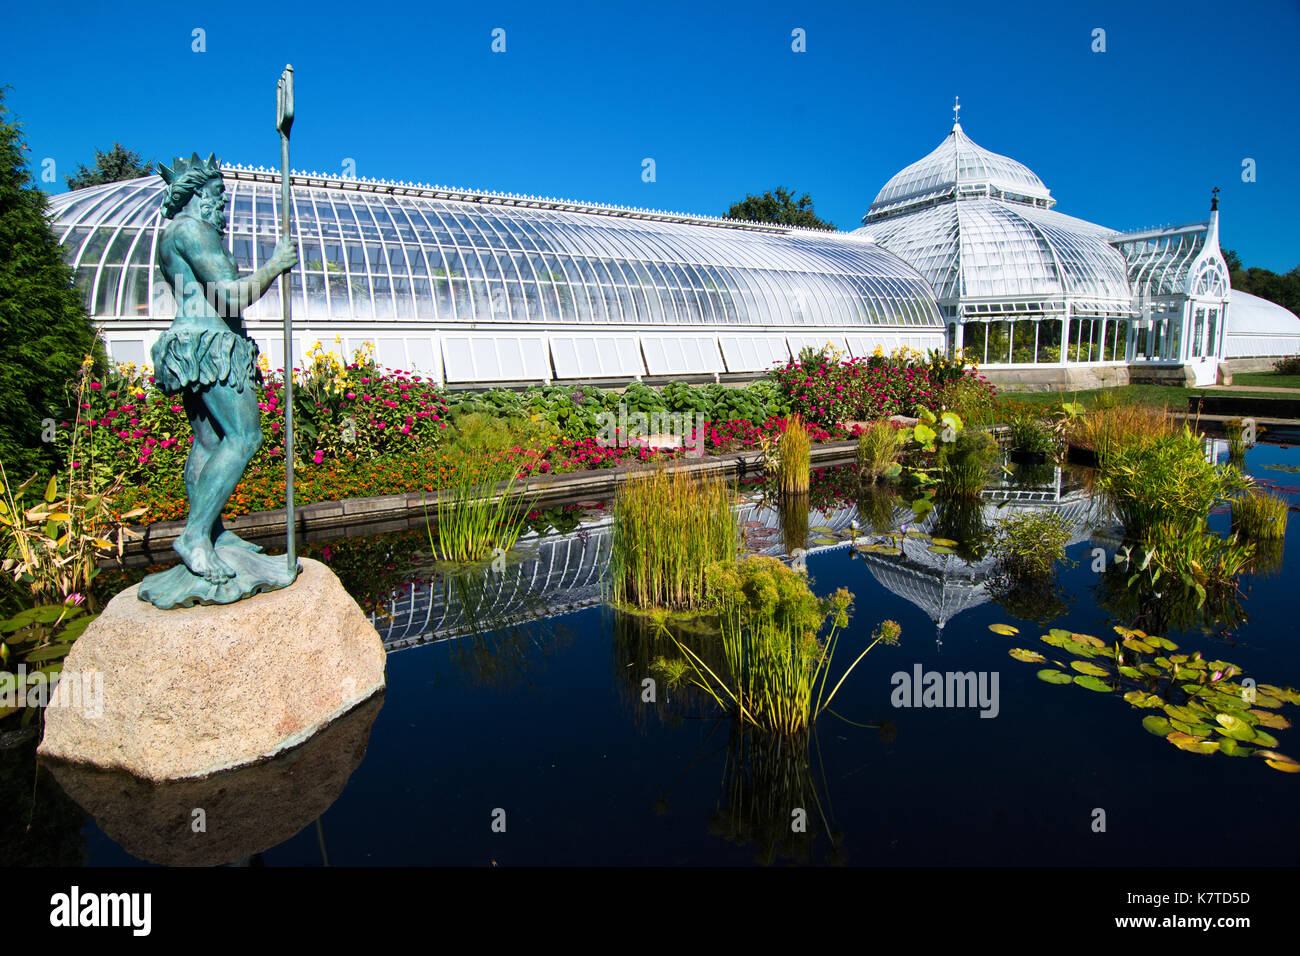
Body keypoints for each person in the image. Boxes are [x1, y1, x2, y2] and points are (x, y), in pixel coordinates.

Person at [152, 153, 297, 584]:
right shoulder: (192, 230)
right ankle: (195, 535)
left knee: (210, 442)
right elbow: (231, 298)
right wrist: (274, 265)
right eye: (217, 196)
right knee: (245, 435)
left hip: (193, 342)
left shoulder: (173, 234)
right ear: (197, 194)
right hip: (209, 344)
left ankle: (212, 532)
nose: (223, 206)